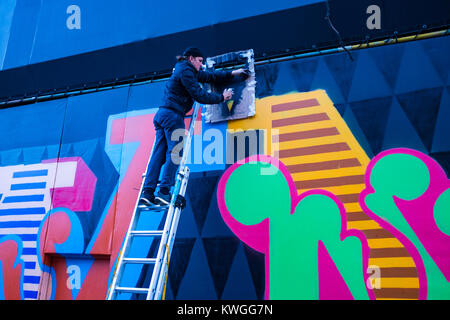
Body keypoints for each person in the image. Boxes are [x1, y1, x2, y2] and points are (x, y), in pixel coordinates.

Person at [139, 47, 249, 207]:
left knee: (158, 155)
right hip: (173, 115)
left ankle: (147, 193)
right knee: (175, 153)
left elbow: (210, 76)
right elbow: (199, 94)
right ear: (191, 58)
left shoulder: (186, 70)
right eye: (200, 61)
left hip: (163, 114)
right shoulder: (186, 70)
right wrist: (221, 97)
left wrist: (233, 73)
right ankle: (163, 192)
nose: (202, 65)